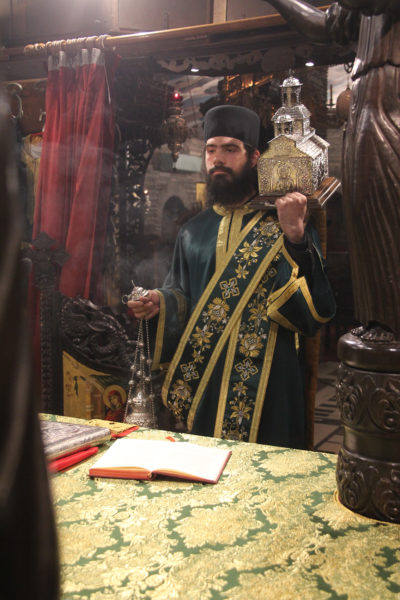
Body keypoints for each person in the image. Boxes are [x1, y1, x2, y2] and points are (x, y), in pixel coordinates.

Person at [129, 105, 335, 448]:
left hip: (271, 383)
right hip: (207, 380)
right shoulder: (193, 231)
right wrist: (159, 303)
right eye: (211, 150)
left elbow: (316, 308)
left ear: (254, 158)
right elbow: (180, 293)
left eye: (230, 149)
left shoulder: (286, 223)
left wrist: (296, 239)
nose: (218, 159)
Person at [264, 0, 400, 342]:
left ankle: (393, 320)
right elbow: (329, 26)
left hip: (393, 88)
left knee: (388, 201)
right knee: (366, 211)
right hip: (367, 96)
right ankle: (379, 317)